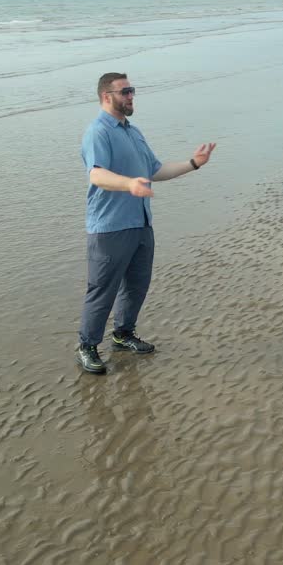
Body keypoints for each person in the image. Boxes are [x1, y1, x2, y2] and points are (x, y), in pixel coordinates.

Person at [76, 72, 216, 374]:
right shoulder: (97, 132)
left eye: (132, 91)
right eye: (124, 92)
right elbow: (97, 175)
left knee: (137, 286)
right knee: (102, 289)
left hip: (140, 223)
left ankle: (123, 334)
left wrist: (193, 164)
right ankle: (87, 346)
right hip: (110, 227)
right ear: (106, 96)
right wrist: (129, 184)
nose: (130, 97)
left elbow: (155, 170)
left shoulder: (132, 131)